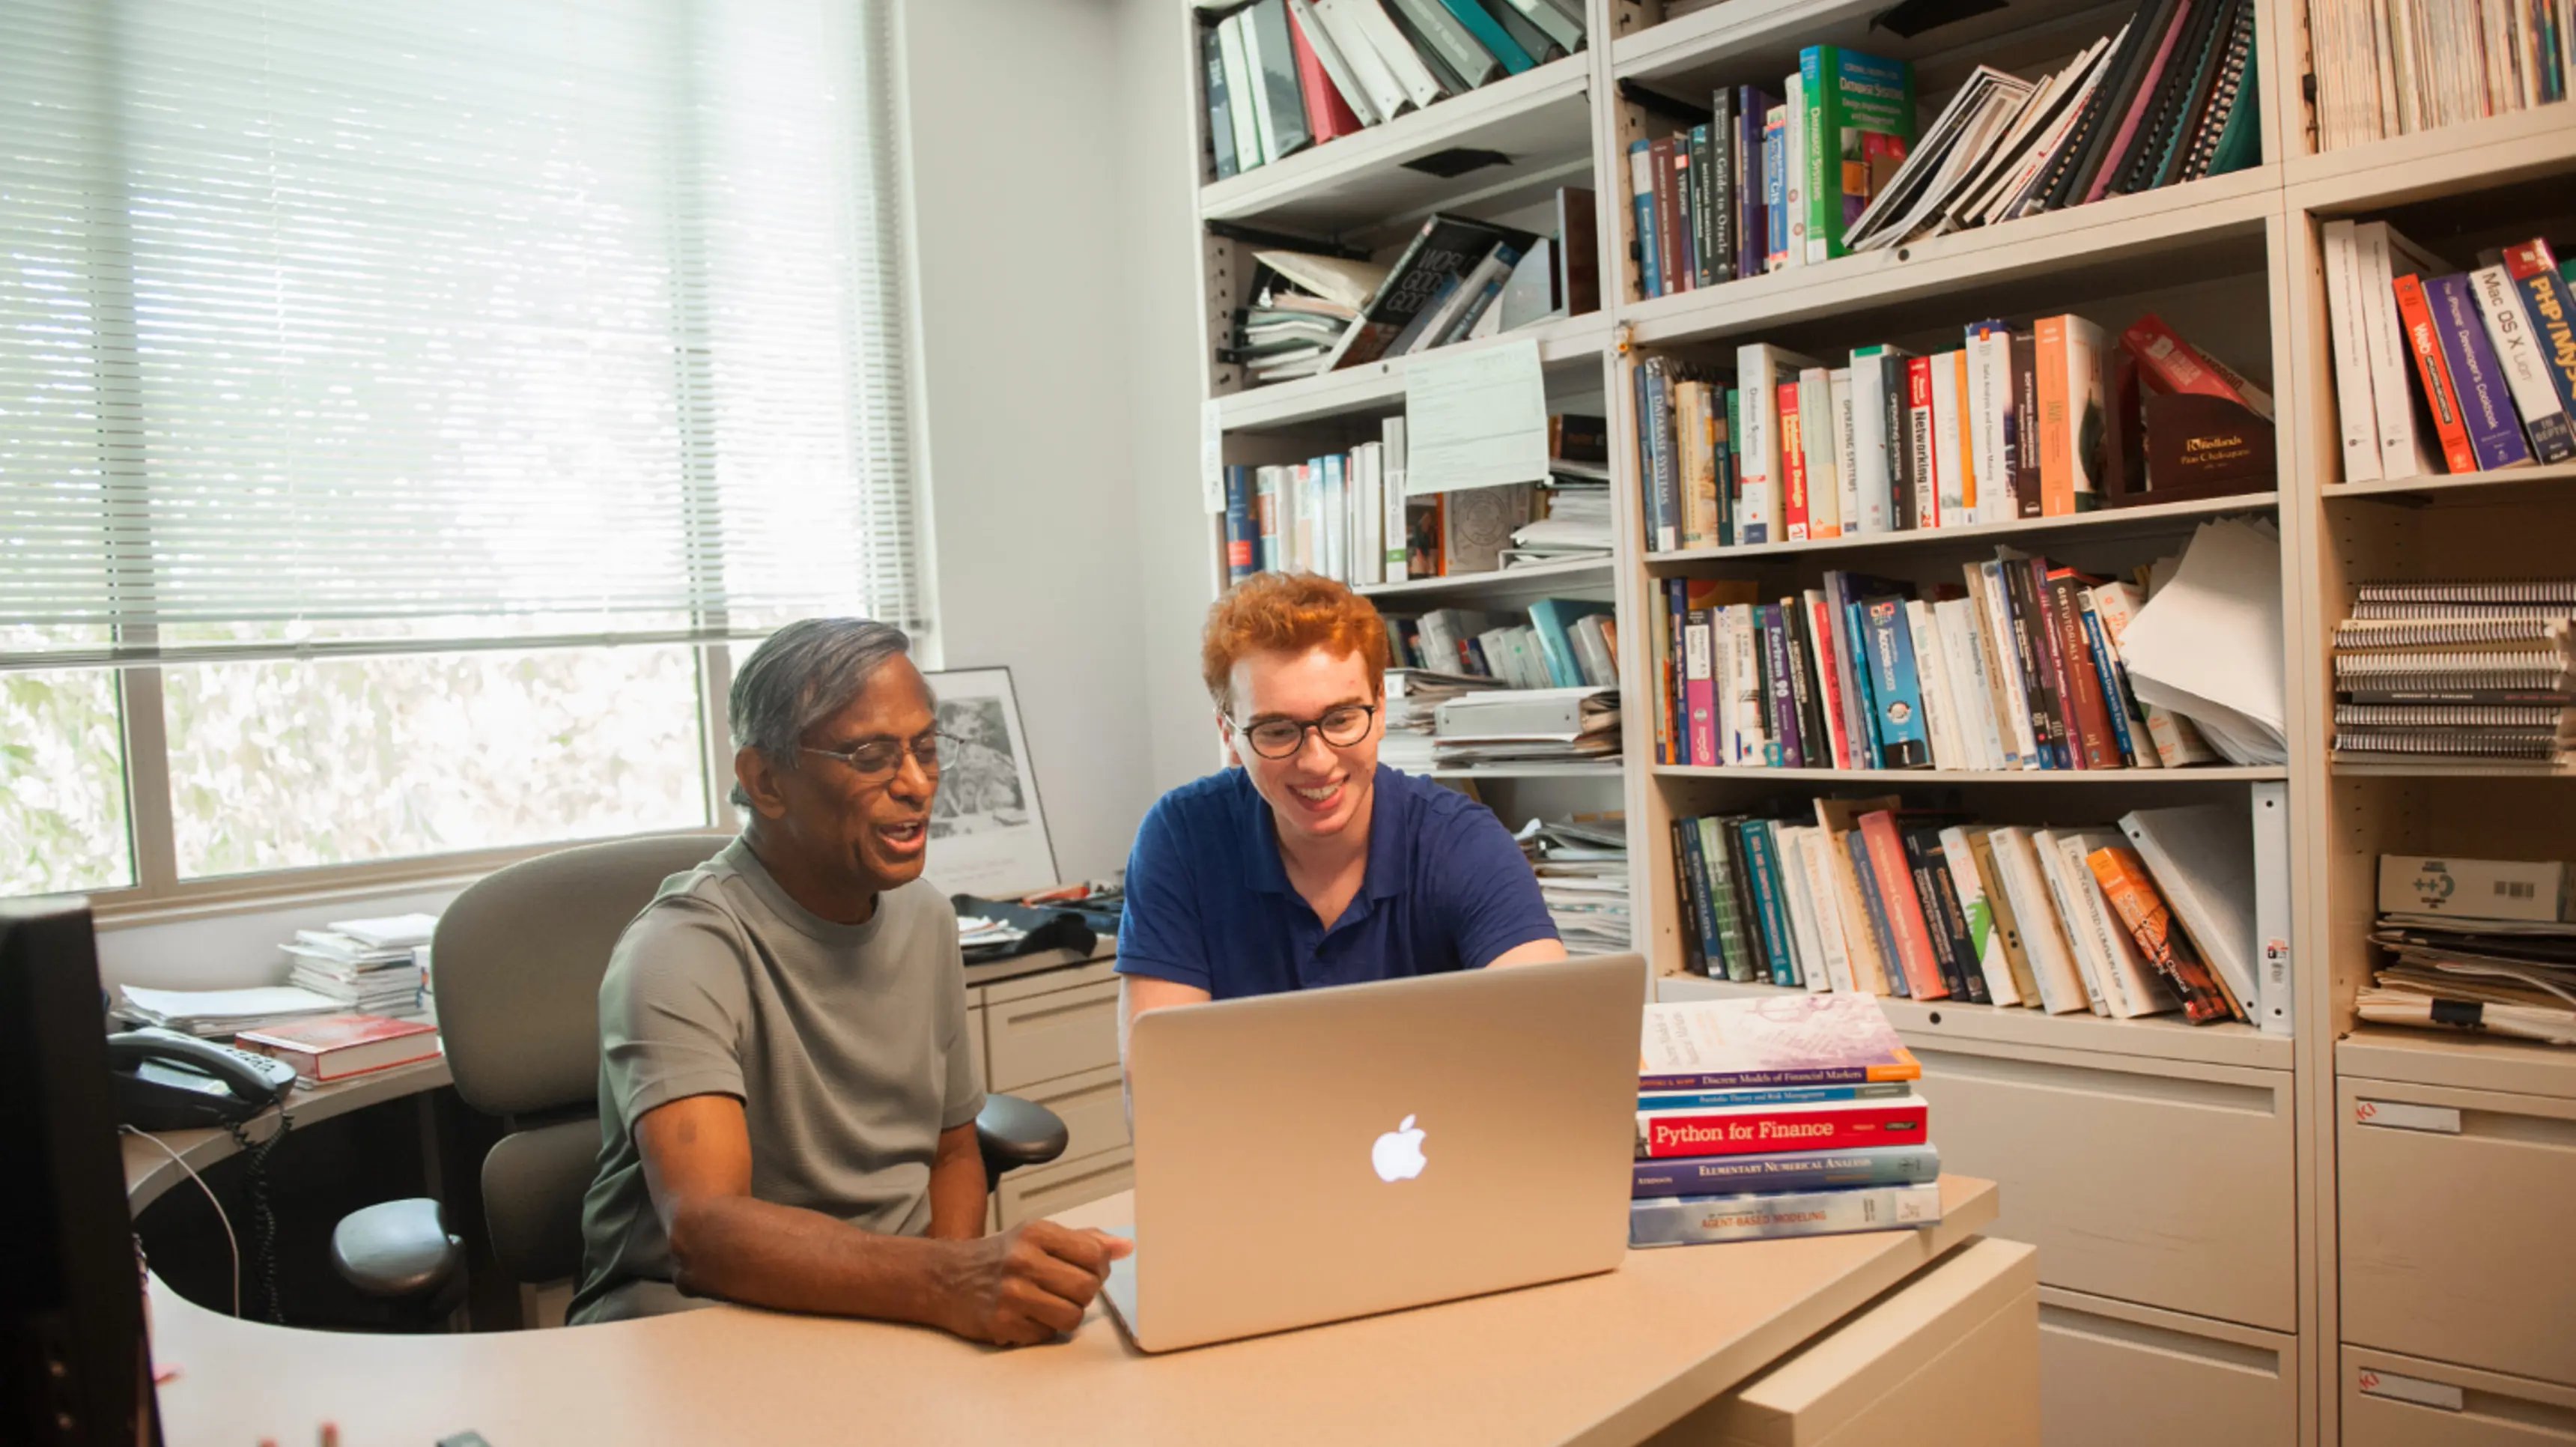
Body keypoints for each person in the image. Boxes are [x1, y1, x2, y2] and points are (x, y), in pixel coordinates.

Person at [568, 619, 1127, 1341]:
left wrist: (954, 1303)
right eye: (871, 756)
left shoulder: (925, 918)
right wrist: (950, 1284)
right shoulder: (681, 947)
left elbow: (955, 1149)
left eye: (927, 748)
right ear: (765, 781)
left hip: (891, 1303)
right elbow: (706, 1235)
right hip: (699, 1321)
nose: (920, 784)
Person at [1117, 573, 1566, 1043]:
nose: (1317, 761)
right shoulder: (1181, 839)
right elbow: (1157, 1081)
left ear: (1380, 710)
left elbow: (1552, 1035)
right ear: (1229, 736)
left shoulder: (1461, 841)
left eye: (1341, 719)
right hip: (1248, 1120)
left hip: (1426, 1119)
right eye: (1276, 731)